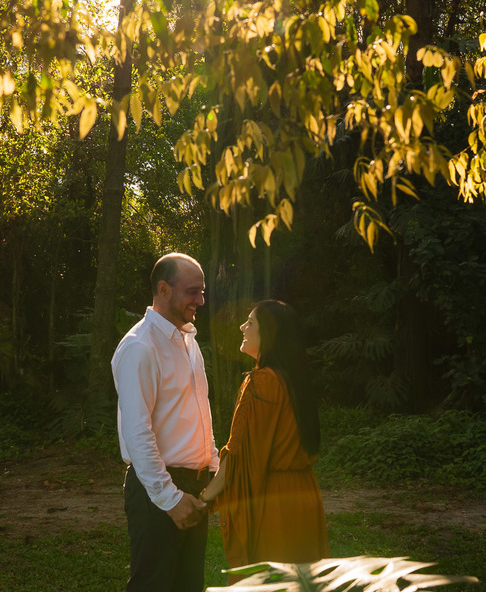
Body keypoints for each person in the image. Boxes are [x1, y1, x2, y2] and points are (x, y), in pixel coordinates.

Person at [112, 252, 220, 592]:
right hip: (157, 490)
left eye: (202, 291)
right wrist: (170, 498)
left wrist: (213, 470)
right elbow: (137, 433)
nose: (201, 300)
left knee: (189, 586)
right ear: (163, 289)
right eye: (193, 291)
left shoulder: (188, 341)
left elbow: (199, 411)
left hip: (195, 487)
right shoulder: (140, 347)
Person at [200, 300, 329, 572]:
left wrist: (204, 498)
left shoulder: (262, 382)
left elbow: (238, 456)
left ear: (269, 334)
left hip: (275, 505)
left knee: (272, 582)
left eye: (250, 323)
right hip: (303, 495)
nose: (242, 327)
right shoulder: (292, 379)